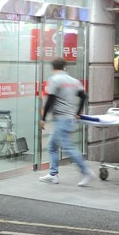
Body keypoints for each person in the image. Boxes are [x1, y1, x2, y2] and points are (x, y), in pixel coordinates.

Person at [39, 58, 95, 186]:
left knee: (69, 147)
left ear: (53, 68)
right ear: (64, 67)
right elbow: (84, 96)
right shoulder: (74, 81)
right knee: (52, 146)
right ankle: (53, 175)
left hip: (61, 119)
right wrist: (78, 112)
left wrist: (43, 119)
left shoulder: (54, 80)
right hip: (68, 118)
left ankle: (86, 172)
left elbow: (50, 100)